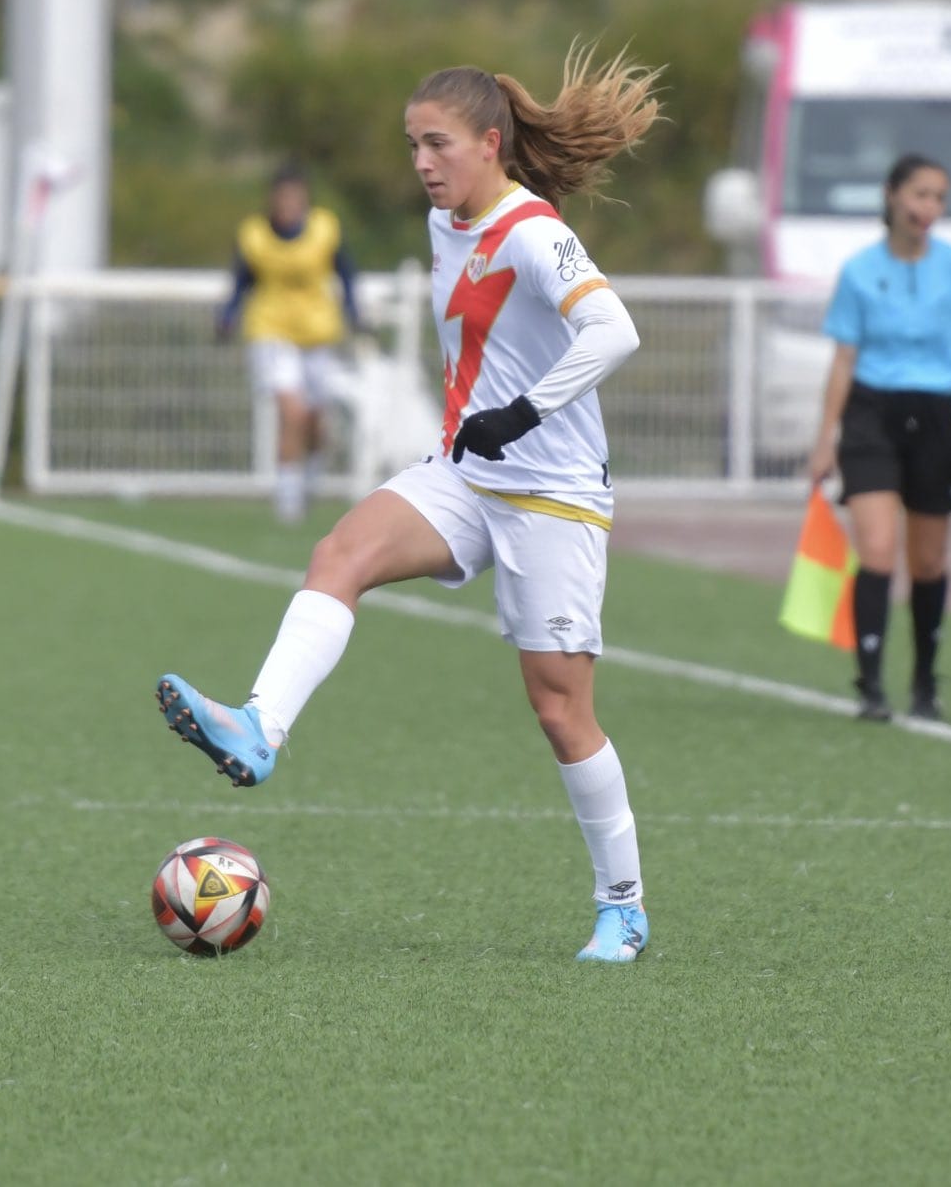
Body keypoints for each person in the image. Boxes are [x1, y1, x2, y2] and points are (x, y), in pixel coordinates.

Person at [157, 49, 659, 964]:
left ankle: (621, 903)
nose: (423, 162)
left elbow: (614, 328)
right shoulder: (445, 222)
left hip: (553, 491)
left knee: (559, 710)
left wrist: (527, 409)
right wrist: (483, 424)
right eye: (412, 145)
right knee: (338, 555)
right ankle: (259, 729)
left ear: (490, 144)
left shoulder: (533, 232)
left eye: (438, 144)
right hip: (466, 473)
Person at [806, 154, 951, 723]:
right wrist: (826, 437)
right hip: (871, 415)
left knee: (929, 561)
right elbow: (843, 358)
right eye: (919, 195)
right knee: (878, 549)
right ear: (892, 196)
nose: (928, 209)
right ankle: (870, 684)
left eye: (938, 198)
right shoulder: (860, 270)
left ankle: (924, 681)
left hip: (937, 416)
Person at [219, 162, 361, 523]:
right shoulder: (254, 235)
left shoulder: (324, 229)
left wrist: (354, 311)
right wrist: (227, 314)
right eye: (282, 196)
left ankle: (307, 481)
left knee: (315, 423)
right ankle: (288, 504)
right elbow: (243, 281)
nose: (288, 203)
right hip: (271, 331)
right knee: (292, 412)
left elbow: (345, 273)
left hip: (316, 334)